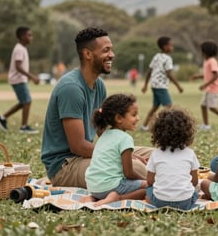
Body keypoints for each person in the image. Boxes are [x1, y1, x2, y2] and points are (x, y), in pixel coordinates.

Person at [41, 27, 153, 188]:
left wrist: (128, 152)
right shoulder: (71, 88)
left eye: (111, 50)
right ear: (88, 54)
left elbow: (102, 129)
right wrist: (124, 158)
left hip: (89, 156)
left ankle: (176, 183)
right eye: (106, 50)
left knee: (155, 156)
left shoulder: (99, 85)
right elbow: (78, 146)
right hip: (66, 166)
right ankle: (171, 189)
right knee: (135, 167)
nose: (112, 55)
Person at [84, 94, 147, 206]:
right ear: (118, 118)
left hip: (93, 187)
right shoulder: (125, 139)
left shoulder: (105, 134)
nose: (138, 118)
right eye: (134, 115)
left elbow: (114, 155)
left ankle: (96, 198)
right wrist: (146, 181)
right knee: (148, 189)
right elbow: (128, 173)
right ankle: (117, 198)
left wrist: (136, 157)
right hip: (110, 187)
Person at [146, 107, 199, 210]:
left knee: (148, 189)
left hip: (160, 202)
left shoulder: (156, 154)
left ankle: (151, 201)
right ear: (187, 132)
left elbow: (150, 181)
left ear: (157, 132)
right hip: (185, 203)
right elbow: (195, 182)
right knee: (195, 191)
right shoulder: (190, 153)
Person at [0, 26, 40, 133]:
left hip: (19, 79)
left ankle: (2, 117)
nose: (31, 38)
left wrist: (27, 77)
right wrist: (32, 77)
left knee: (23, 102)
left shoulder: (22, 48)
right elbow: (18, 66)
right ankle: (24, 127)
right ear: (22, 36)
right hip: (17, 79)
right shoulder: (19, 49)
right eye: (29, 35)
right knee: (27, 101)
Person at [140, 36, 183, 131]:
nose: (173, 47)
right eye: (171, 45)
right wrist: (178, 86)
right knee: (169, 108)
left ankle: (144, 126)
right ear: (165, 47)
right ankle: (171, 127)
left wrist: (145, 85)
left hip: (154, 85)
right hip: (161, 86)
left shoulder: (156, 56)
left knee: (155, 107)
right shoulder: (168, 59)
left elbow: (149, 71)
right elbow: (169, 74)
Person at [191, 40, 218, 130]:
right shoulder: (207, 61)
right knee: (203, 105)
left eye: (202, 50)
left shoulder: (212, 61)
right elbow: (208, 75)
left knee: (212, 107)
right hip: (209, 88)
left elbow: (216, 75)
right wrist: (198, 76)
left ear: (206, 51)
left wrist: (205, 85)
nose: (201, 52)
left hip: (214, 88)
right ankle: (206, 125)